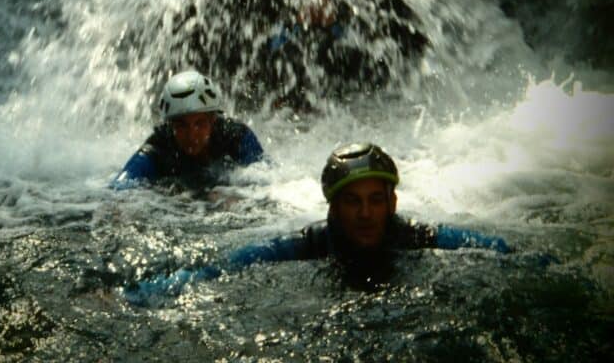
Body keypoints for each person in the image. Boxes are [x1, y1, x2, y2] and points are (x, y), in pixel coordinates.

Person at [123, 142, 510, 304]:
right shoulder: (309, 244)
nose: (365, 214)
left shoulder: (410, 234)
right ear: (334, 208)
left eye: (376, 200)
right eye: (352, 202)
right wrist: (141, 293)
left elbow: (481, 245)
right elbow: (225, 267)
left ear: (393, 202)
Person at [111, 70, 265, 193]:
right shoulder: (159, 146)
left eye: (199, 124)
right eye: (182, 125)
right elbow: (120, 186)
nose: (192, 135)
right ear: (171, 126)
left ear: (212, 121)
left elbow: (268, 177)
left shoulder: (235, 136)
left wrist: (236, 195)